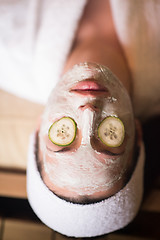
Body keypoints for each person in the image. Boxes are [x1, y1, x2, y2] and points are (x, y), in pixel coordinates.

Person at [0, 0, 160, 238]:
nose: (88, 112)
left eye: (63, 137)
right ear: (137, 134)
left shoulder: (7, 51)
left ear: (39, 126)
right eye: (109, 139)